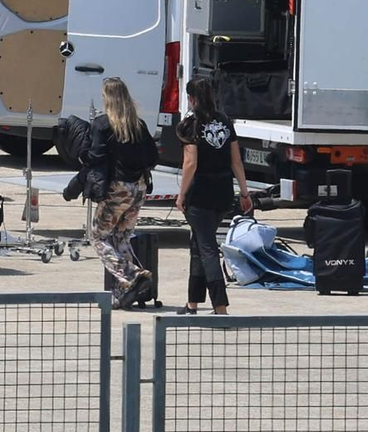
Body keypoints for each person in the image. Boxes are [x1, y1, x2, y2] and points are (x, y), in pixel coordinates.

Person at [175, 76, 252, 315]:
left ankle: (220, 306)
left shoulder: (191, 124)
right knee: (198, 245)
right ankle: (192, 303)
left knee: (207, 248)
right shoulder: (225, 121)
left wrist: (181, 195)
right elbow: (236, 161)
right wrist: (244, 192)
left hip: (200, 194)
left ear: (192, 98)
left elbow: (190, 164)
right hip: (223, 193)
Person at [82, 77, 159, 307]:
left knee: (97, 236)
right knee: (121, 237)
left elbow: (95, 156)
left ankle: (132, 275)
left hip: (118, 190)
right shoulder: (139, 125)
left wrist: (81, 156)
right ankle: (123, 291)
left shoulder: (103, 124)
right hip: (139, 188)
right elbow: (153, 157)